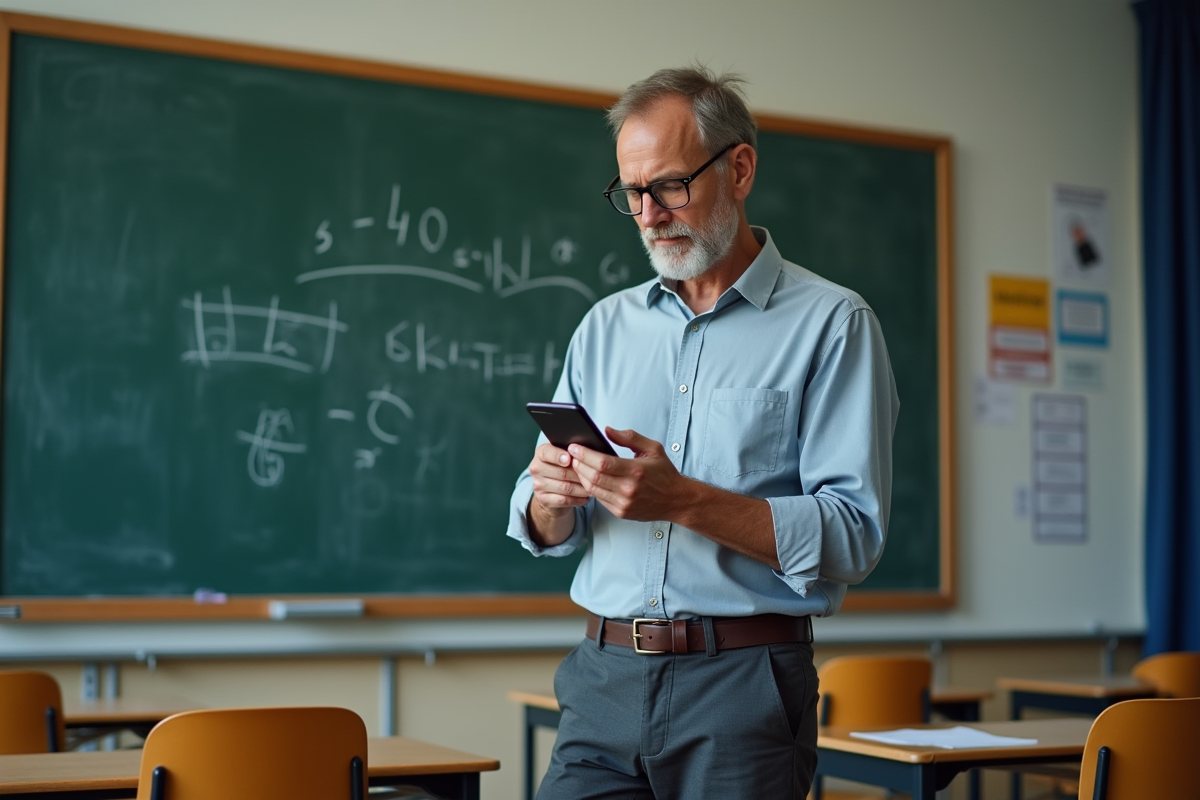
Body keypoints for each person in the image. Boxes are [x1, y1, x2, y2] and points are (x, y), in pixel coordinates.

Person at [506, 65, 899, 800]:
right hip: (602, 677)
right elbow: (542, 509)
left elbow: (853, 535)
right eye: (632, 193)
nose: (649, 213)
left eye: (670, 186)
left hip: (743, 688)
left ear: (740, 168)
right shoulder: (603, 328)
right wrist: (550, 502)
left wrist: (683, 499)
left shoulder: (833, 325)